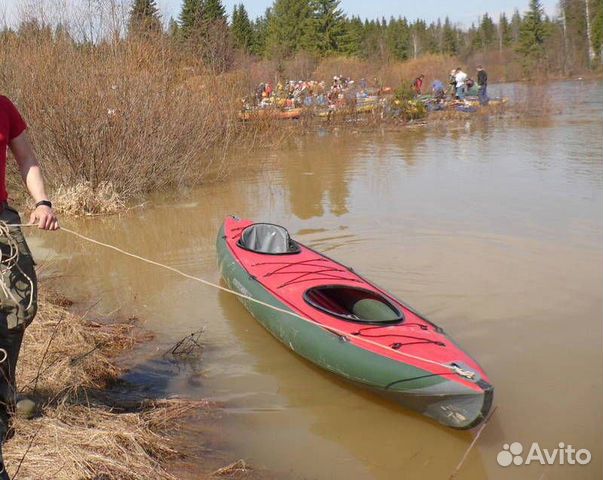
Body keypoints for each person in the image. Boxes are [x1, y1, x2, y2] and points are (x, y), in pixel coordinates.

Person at [0, 95, 59, 479]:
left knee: (22, 305)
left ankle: (5, 392)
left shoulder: (4, 107)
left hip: (2, 219)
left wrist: (42, 201)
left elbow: (27, 159)